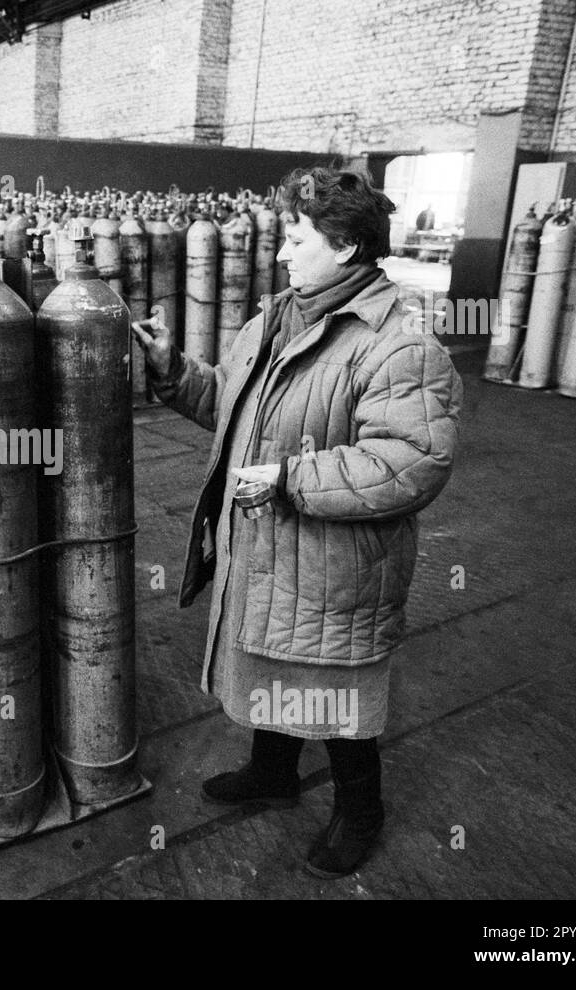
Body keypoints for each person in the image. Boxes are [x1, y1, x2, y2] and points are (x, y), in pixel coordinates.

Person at [133, 167, 462, 879]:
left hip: (334, 562)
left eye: (297, 236)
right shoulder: (278, 318)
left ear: (344, 246)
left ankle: (360, 811)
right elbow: (231, 403)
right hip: (272, 543)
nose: (283, 250)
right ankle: (274, 773)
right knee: (272, 657)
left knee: (335, 690)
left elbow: (413, 460)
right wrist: (171, 370)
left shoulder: (399, 341)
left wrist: (292, 479)